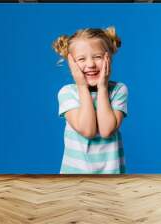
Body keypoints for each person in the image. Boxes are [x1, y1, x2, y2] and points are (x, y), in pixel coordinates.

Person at [52, 26, 128, 174]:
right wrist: (81, 85)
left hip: (112, 180)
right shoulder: (68, 93)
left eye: (97, 57)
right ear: (71, 63)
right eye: (81, 59)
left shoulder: (119, 90)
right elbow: (88, 130)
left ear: (109, 58)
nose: (91, 64)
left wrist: (103, 87)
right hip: (73, 179)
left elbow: (106, 130)